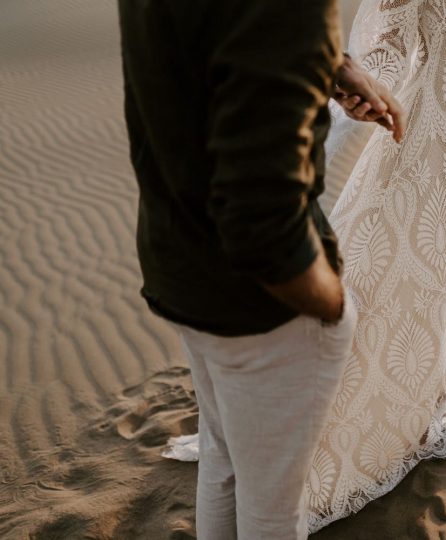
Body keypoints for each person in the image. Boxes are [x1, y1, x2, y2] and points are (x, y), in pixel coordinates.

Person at [117, 1, 404, 538]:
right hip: (265, 307)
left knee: (224, 462)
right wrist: (332, 308)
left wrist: (328, 62)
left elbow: (204, 47)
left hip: (176, 261)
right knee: (272, 510)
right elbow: (262, 227)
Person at [306, 0, 446, 531]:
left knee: (435, 267)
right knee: (413, 269)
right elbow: (390, 39)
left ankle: (424, 395)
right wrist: (357, 91)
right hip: (426, 131)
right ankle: (423, 422)